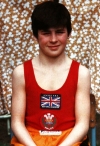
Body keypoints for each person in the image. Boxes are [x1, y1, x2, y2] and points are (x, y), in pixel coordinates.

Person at [11, 1, 91, 146]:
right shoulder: (21, 73)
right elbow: (16, 122)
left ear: (69, 33)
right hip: (31, 140)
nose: (53, 39)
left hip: (69, 140)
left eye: (59, 32)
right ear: (35, 35)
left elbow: (82, 125)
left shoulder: (81, 73)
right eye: (46, 33)